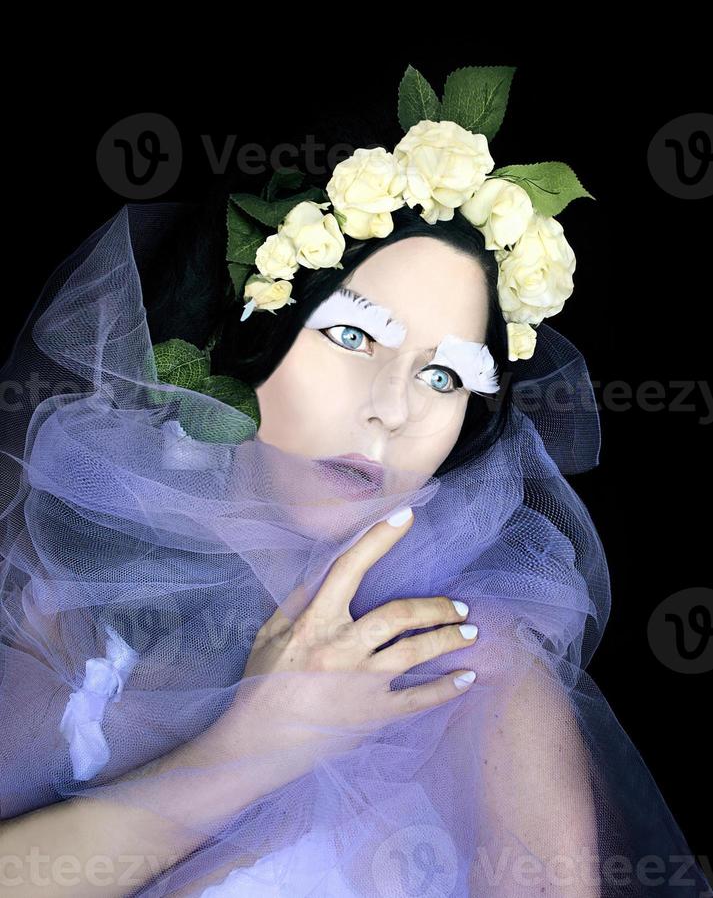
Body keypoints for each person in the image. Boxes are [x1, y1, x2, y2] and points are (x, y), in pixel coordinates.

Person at [0, 65, 709, 898]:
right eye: (351, 335)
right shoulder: (68, 606)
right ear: (243, 334)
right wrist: (254, 743)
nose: (392, 410)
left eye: (445, 378)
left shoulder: (464, 658)